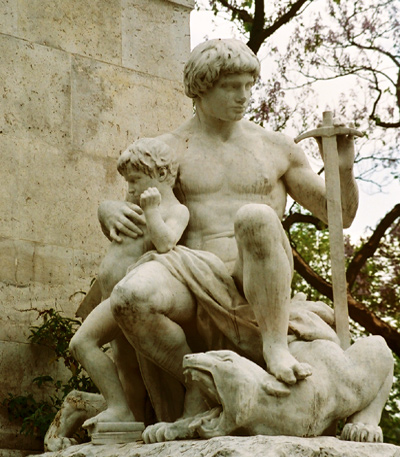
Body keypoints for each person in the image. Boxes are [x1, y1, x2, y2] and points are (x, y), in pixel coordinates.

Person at [99, 39, 358, 413]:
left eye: (249, 86)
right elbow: (140, 214)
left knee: (255, 216)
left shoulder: (275, 147)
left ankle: (275, 346)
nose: (244, 96)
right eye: (231, 87)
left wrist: (344, 169)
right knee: (130, 299)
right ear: (201, 88)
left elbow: (341, 216)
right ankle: (195, 381)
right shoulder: (167, 149)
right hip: (189, 272)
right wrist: (108, 210)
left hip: (252, 273)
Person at [69, 137, 189, 426]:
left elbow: (165, 244)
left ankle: (125, 409)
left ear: (161, 175)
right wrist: (106, 209)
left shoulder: (176, 210)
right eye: (128, 182)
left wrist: (151, 211)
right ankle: (127, 416)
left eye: (135, 180)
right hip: (112, 297)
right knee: (126, 369)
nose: (130, 188)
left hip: (129, 300)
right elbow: (112, 223)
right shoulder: (131, 204)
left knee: (82, 342)